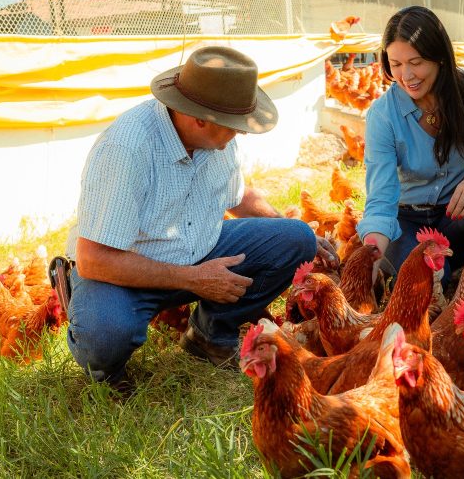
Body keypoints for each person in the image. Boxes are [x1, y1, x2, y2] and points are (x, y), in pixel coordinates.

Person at [63, 46, 337, 387]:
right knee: (104, 336)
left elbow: (238, 196)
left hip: (198, 249)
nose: (241, 132)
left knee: (297, 238)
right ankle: (104, 360)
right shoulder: (127, 148)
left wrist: (300, 233)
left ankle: (209, 336)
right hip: (123, 271)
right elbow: (95, 259)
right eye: (234, 126)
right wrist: (193, 279)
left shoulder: (218, 137)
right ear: (200, 119)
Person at [356, 6, 464, 287]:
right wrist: (370, 255)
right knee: (431, 283)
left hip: (455, 213)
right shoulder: (382, 116)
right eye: (396, 64)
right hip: (405, 221)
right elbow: (381, 202)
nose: (406, 75)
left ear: (439, 57)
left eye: (416, 62)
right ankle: (444, 272)